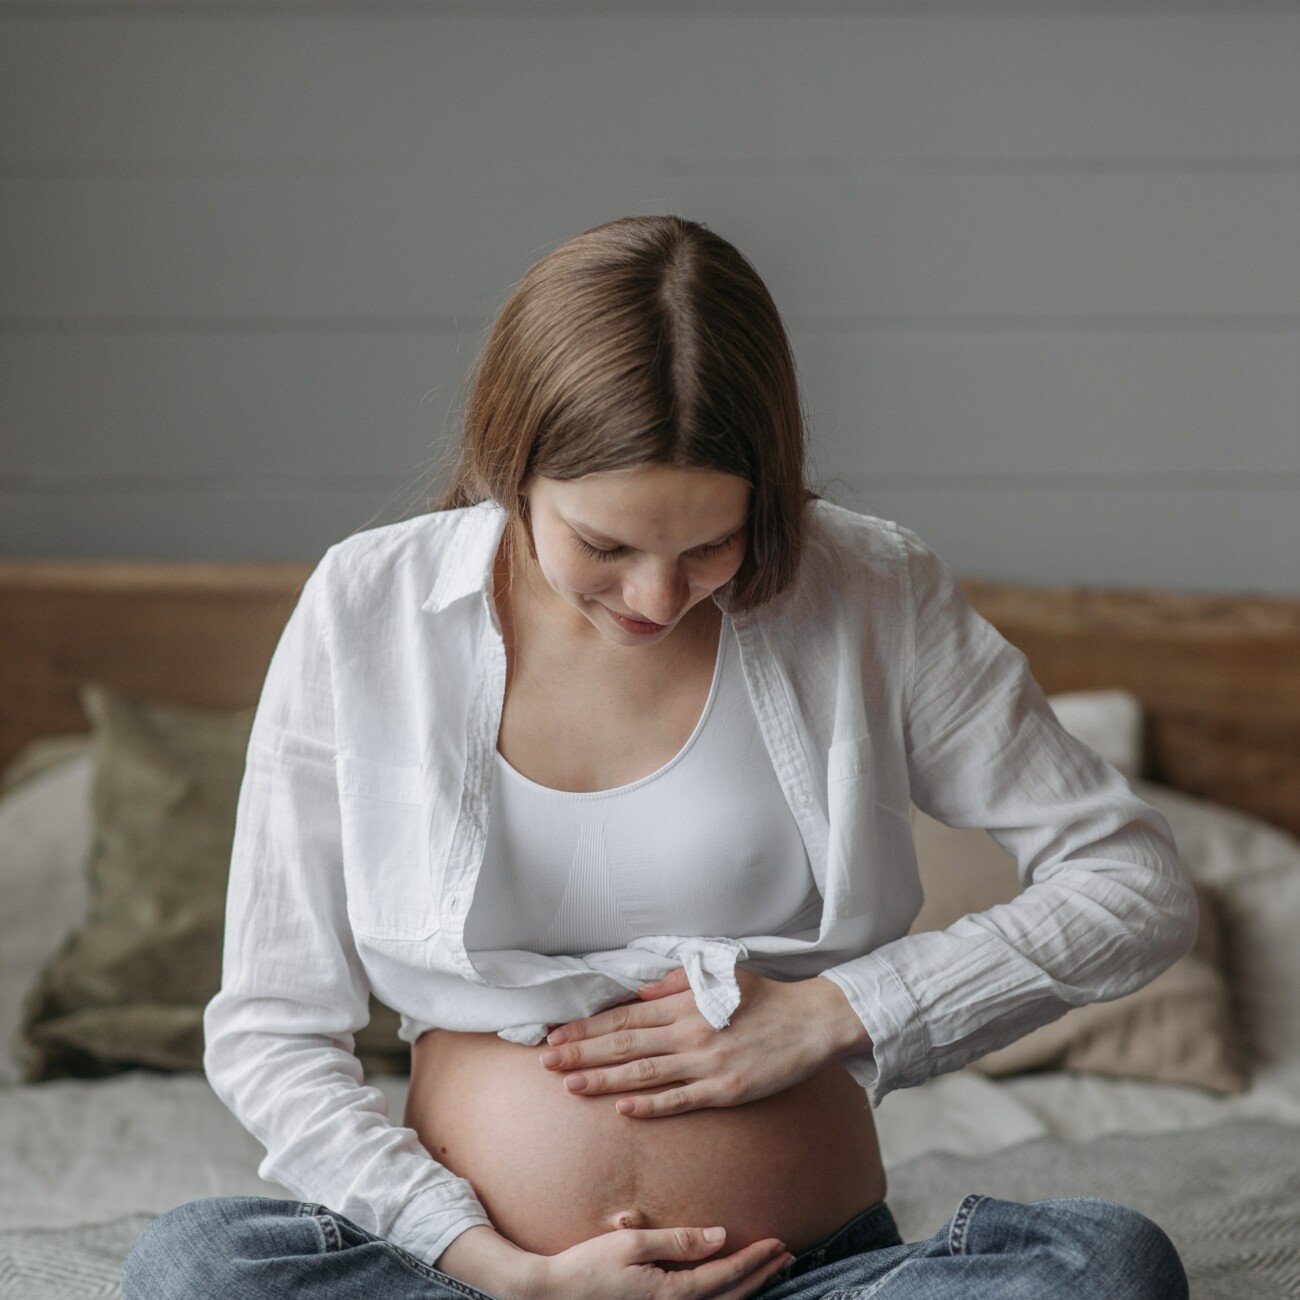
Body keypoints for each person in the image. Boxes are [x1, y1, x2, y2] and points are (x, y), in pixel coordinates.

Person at [123, 215, 1194, 1299]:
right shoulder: (368, 606)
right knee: (197, 1265)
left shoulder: (870, 589)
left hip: (810, 1278)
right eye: (604, 545)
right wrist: (508, 1273)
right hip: (469, 1282)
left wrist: (840, 1010)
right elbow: (272, 1028)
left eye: (710, 546)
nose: (655, 597)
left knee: (1107, 1265)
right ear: (511, 467)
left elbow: (1133, 884)